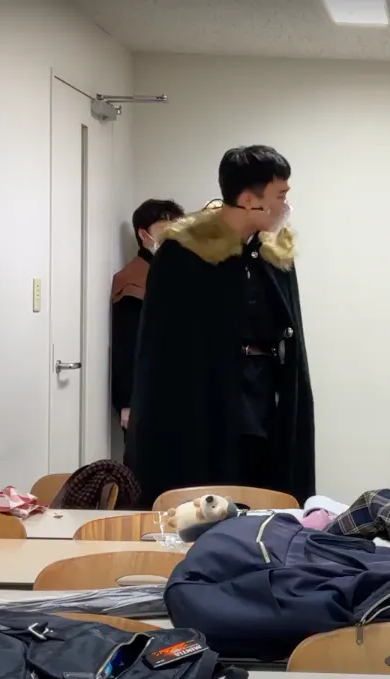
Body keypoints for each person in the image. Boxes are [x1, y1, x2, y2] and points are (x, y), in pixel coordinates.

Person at [126, 145, 314, 507]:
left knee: (264, 492)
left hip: (266, 399)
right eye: (280, 195)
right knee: (212, 493)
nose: (286, 205)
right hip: (203, 403)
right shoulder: (184, 254)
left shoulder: (272, 253)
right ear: (248, 200)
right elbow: (159, 349)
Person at [112, 199, 185, 435]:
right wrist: (127, 403)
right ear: (143, 234)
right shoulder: (132, 279)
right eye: (166, 230)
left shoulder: (176, 272)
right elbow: (126, 344)